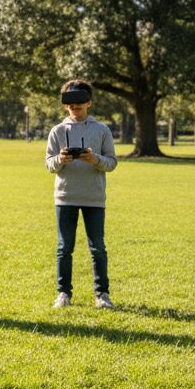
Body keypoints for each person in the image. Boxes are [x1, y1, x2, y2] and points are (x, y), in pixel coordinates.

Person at [44, 79, 118, 308]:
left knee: (98, 248)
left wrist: (95, 159)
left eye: (79, 101)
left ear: (89, 102)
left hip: (94, 197)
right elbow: (48, 164)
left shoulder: (102, 130)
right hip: (65, 197)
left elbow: (112, 162)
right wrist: (60, 159)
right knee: (64, 248)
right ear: (65, 104)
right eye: (70, 101)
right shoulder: (57, 131)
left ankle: (102, 295)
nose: (74, 106)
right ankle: (63, 293)